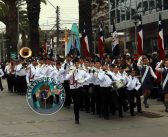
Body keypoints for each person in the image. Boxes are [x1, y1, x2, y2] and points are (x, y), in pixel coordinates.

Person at [66, 59, 90, 124]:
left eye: (78, 63)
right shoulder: (70, 71)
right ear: (73, 64)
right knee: (76, 104)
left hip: (79, 87)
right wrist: (71, 72)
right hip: (73, 89)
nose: (77, 65)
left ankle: (87, 103)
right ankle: (77, 119)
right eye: (75, 63)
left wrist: (84, 80)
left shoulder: (81, 71)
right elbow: (66, 78)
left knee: (85, 94)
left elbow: (88, 76)